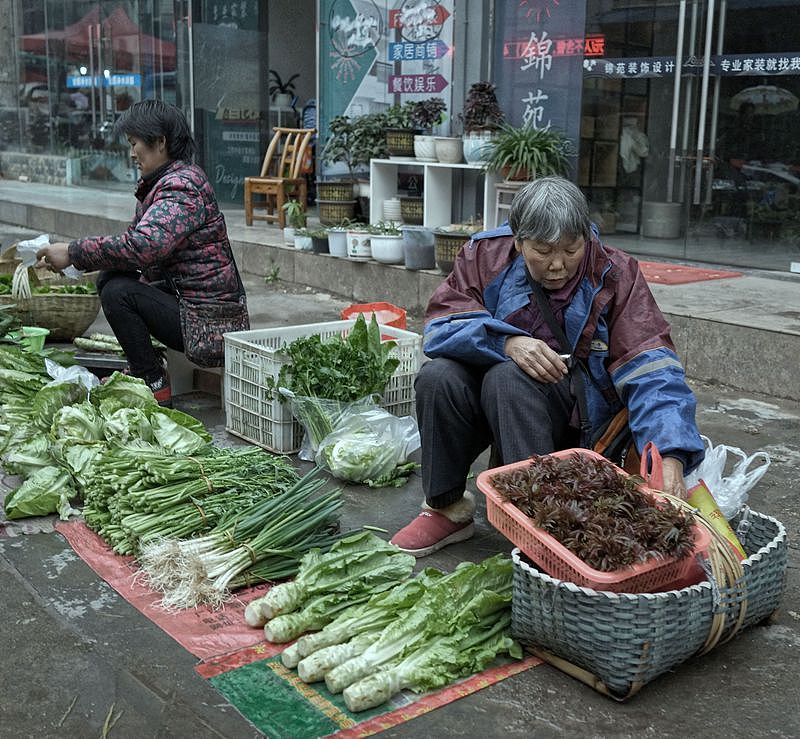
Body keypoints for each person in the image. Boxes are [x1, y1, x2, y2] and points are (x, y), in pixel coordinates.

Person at [390, 176, 705, 557]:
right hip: (493, 408)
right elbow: (442, 327)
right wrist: (505, 341)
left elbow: (651, 366)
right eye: (542, 251)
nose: (558, 265)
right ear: (518, 240)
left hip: (573, 418)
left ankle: (542, 520)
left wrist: (670, 450)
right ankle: (446, 508)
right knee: (438, 377)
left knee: (508, 378)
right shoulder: (485, 257)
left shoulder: (614, 272)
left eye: (571, 250)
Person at [36, 99, 247, 406]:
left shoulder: (182, 187)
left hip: (211, 325)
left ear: (160, 142)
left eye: (135, 144)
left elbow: (143, 247)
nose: (132, 153)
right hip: (192, 309)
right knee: (113, 277)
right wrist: (78, 258)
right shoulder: (164, 183)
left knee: (118, 292)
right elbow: (132, 249)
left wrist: (72, 252)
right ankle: (143, 368)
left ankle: (153, 381)